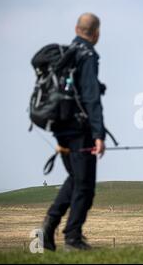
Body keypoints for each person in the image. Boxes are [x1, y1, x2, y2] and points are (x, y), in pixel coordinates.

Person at [42, 13, 106, 251]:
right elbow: (91, 98)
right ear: (96, 33)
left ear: (76, 28)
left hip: (60, 128)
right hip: (80, 130)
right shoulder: (87, 55)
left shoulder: (66, 55)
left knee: (75, 179)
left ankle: (48, 228)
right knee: (85, 185)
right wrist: (98, 134)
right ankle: (72, 238)